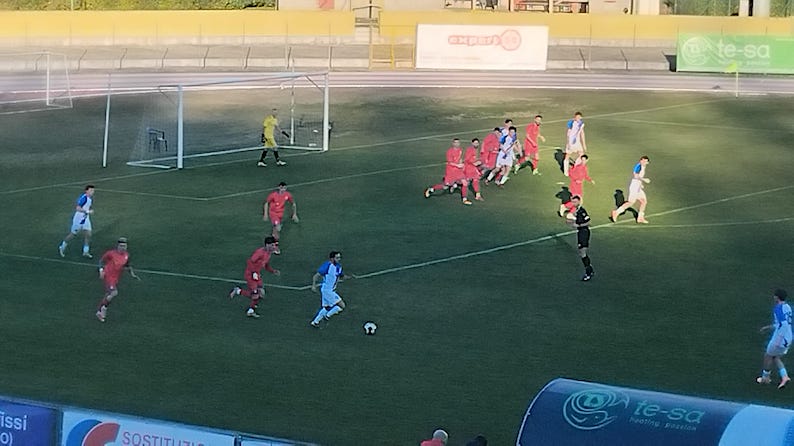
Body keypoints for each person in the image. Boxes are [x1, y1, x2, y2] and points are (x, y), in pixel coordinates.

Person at [229, 236, 280, 318]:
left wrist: (273, 271)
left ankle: (239, 291)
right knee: (255, 295)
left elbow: (266, 264)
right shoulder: (259, 253)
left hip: (256, 274)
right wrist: (253, 273)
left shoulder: (268, 253)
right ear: (267, 245)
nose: (274, 247)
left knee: (261, 294)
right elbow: (250, 262)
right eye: (272, 245)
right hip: (250, 275)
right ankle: (250, 310)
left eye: (274, 245)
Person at [95, 237, 140, 322]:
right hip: (108, 275)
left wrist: (132, 274)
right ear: (118, 246)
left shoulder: (126, 255)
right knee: (114, 293)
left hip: (116, 277)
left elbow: (128, 265)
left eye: (124, 246)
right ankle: (103, 309)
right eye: (121, 246)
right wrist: (101, 271)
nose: (123, 248)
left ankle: (99, 311)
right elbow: (101, 261)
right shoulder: (111, 253)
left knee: (108, 294)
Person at [757, 289, 792, 389]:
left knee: (768, 356)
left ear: (777, 297)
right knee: (775, 357)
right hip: (789, 337)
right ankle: (784, 376)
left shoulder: (778, 308)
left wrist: (778, 341)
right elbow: (781, 323)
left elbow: (783, 325)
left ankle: (765, 378)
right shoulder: (787, 307)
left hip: (780, 338)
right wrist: (767, 327)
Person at [310, 251, 356, 327]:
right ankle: (327, 316)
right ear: (332, 258)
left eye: (339, 257)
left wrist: (350, 277)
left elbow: (342, 276)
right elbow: (316, 276)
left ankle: (315, 322)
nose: (339, 259)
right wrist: (313, 285)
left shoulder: (339, 267)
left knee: (327, 307)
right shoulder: (327, 266)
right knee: (342, 305)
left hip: (329, 290)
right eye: (337, 258)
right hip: (327, 290)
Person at [424, 138, 472, 205]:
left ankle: (464, 199)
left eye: (458, 143)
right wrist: (458, 165)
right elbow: (450, 162)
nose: (457, 144)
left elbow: (460, 158)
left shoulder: (460, 150)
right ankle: (431, 189)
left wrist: (461, 164)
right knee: (445, 186)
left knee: (465, 183)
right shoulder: (449, 152)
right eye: (455, 143)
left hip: (458, 171)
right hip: (451, 171)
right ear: (453, 144)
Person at [59, 185, 95, 258]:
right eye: (91, 190)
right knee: (73, 234)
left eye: (93, 190)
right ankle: (62, 247)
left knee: (88, 234)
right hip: (79, 219)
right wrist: (88, 211)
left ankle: (85, 251)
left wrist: (88, 211)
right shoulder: (84, 198)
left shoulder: (89, 199)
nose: (92, 192)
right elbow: (78, 208)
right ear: (86, 191)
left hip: (85, 218)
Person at [611, 156, 650, 224]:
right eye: (643, 161)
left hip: (638, 187)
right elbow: (635, 176)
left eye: (645, 161)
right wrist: (644, 180)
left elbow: (639, 177)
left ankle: (640, 218)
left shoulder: (643, 167)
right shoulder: (639, 166)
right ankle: (616, 212)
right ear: (640, 160)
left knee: (644, 201)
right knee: (630, 202)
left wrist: (641, 184)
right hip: (634, 187)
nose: (644, 162)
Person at [264, 182, 299, 254]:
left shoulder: (287, 195)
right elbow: (266, 203)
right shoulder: (273, 195)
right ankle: (275, 247)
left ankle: (271, 242)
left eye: (284, 188)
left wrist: (294, 214)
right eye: (281, 188)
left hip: (280, 215)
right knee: (278, 228)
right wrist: (266, 214)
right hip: (273, 214)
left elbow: (293, 204)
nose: (283, 189)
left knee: (275, 230)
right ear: (279, 187)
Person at [569, 195, 595, 281]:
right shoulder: (577, 211)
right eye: (572, 202)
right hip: (580, 232)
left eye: (575, 202)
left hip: (584, 233)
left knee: (583, 253)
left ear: (579, 202)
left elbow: (588, 222)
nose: (573, 203)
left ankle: (588, 272)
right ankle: (590, 269)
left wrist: (578, 225)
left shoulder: (582, 211)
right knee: (582, 252)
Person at [564, 112, 586, 177]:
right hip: (571, 142)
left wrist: (584, 144)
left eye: (579, 117)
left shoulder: (581, 124)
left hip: (577, 142)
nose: (578, 118)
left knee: (582, 154)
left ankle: (576, 166)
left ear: (581, 117)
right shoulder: (571, 123)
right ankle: (566, 171)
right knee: (567, 155)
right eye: (577, 117)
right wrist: (568, 143)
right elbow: (568, 133)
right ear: (575, 117)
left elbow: (582, 133)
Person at [463, 138, 484, 202]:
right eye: (475, 143)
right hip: (468, 168)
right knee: (466, 183)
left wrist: (480, 161)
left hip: (473, 168)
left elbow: (478, 158)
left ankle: (478, 196)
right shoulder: (470, 150)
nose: (476, 144)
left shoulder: (477, 150)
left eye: (477, 143)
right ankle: (454, 185)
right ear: (472, 143)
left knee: (476, 181)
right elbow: (467, 159)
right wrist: (474, 163)